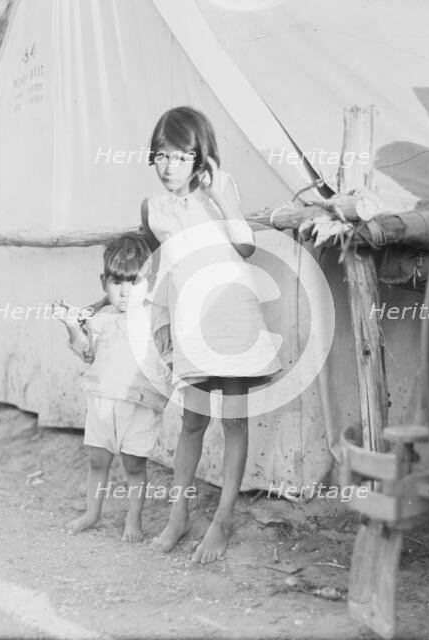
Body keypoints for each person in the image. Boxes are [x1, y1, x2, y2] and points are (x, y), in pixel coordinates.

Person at [143, 106, 281, 563]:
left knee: (234, 421)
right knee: (191, 422)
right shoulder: (154, 210)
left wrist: (223, 197)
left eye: (181, 157)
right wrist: (161, 323)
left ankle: (222, 521)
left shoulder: (221, 190)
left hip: (235, 315)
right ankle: (178, 516)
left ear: (201, 157)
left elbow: (245, 246)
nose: (168, 167)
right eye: (160, 156)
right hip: (191, 322)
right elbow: (162, 269)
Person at [53, 233, 172, 541]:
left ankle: (134, 520)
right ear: (103, 281)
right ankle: (92, 513)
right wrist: (70, 324)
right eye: (116, 282)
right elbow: (86, 353)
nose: (123, 292)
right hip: (103, 401)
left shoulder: (155, 315)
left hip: (140, 405)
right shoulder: (101, 317)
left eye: (132, 282)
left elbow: (169, 355)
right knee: (97, 458)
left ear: (148, 281)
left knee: (134, 464)